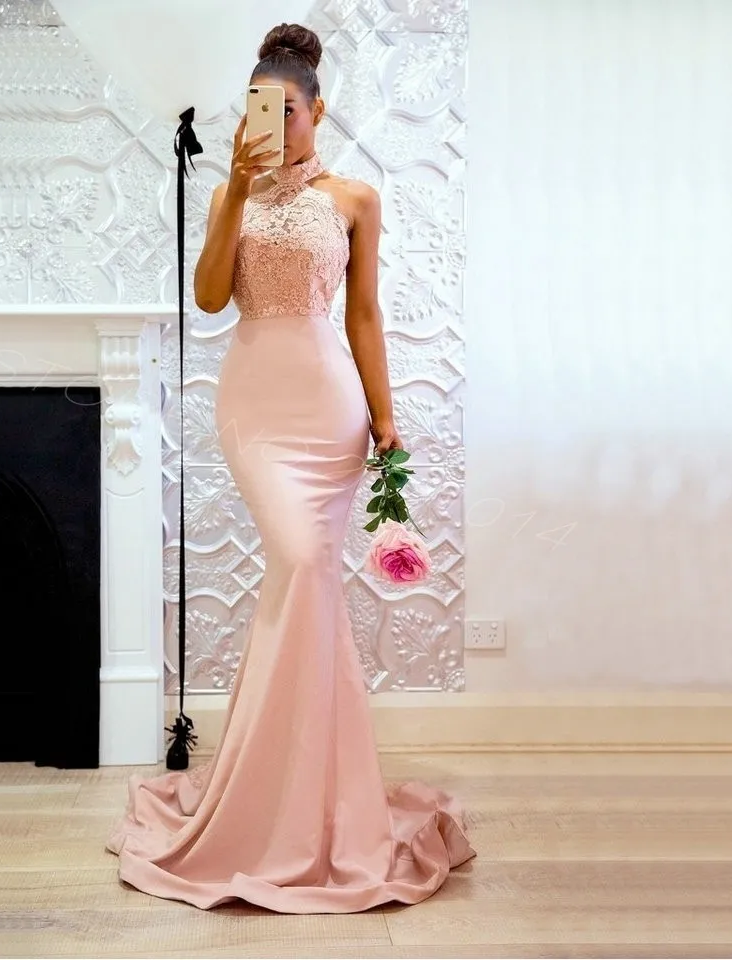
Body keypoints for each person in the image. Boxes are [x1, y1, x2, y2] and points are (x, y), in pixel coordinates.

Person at [105, 22, 475, 913]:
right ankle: (267, 798)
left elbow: (364, 317)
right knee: (301, 566)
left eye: (287, 112)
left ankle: (310, 797)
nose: (271, 126)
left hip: (329, 410)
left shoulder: (355, 199)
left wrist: (386, 419)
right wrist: (235, 185)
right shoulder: (230, 193)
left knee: (305, 583)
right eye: (256, 111)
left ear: (318, 111)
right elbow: (209, 297)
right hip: (257, 411)